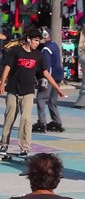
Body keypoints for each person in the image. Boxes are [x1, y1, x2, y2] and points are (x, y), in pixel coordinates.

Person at [0, 28, 66, 156]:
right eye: (35, 40)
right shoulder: (15, 51)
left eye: (39, 41)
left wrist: (58, 89)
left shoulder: (38, 55)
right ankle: (3, 145)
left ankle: (24, 147)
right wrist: (2, 84)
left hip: (28, 91)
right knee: (9, 119)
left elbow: (45, 73)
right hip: (13, 90)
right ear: (28, 39)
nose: (37, 43)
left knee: (26, 119)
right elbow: (7, 68)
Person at [33, 27, 65, 133]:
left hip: (50, 77)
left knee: (41, 99)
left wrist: (44, 80)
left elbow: (47, 66)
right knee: (52, 101)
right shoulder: (54, 45)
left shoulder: (46, 49)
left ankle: (42, 122)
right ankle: (57, 121)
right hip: (58, 76)